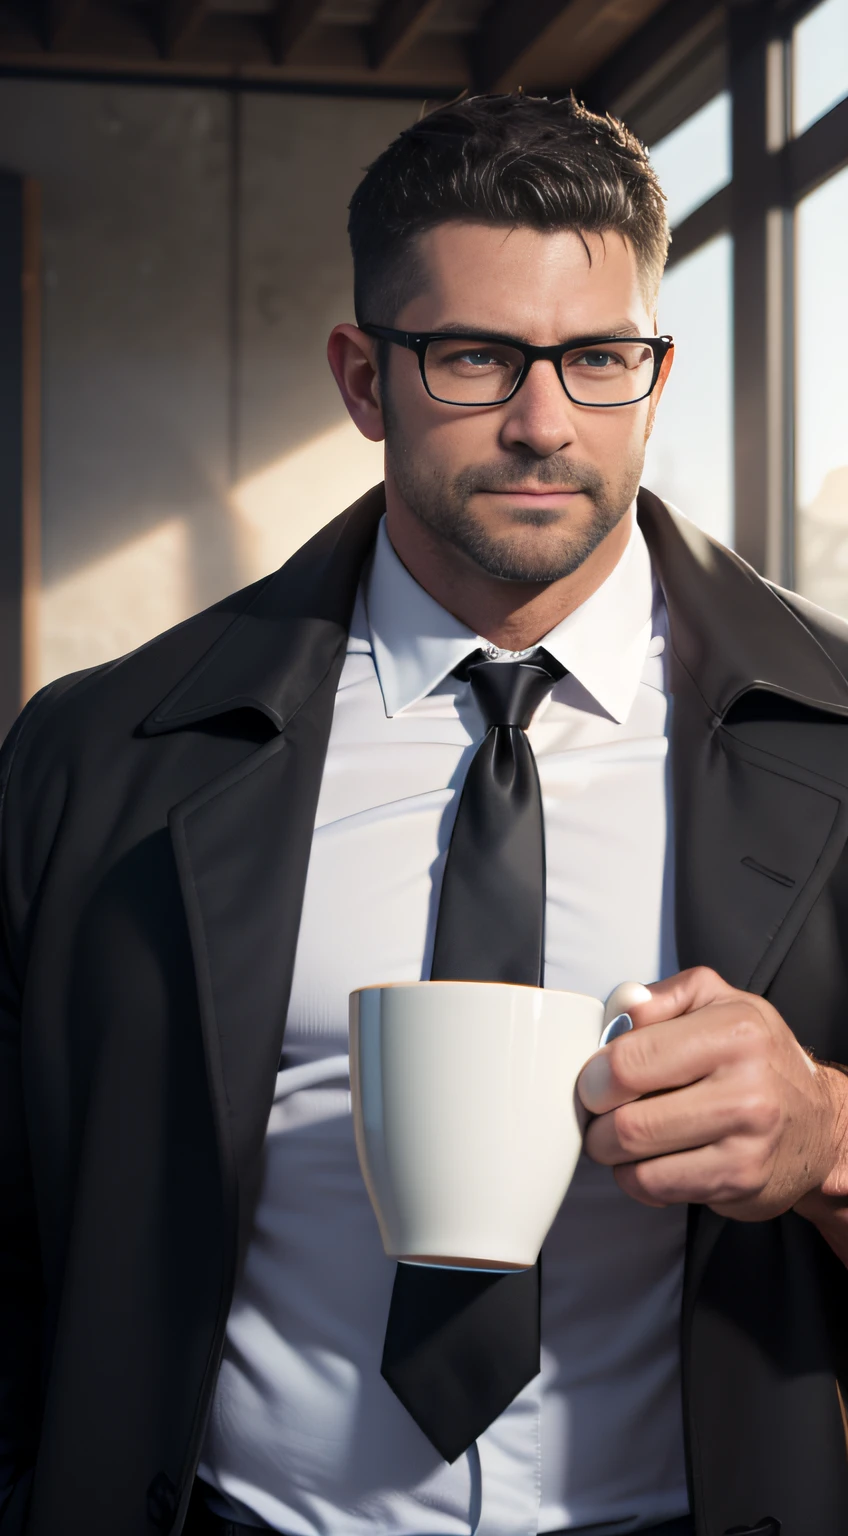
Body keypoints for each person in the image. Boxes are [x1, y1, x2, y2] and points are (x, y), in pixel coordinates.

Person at [2, 92, 848, 1536]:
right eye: (474, 357)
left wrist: (830, 1139)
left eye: (596, 360)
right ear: (362, 376)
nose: (542, 423)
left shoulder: (836, 736)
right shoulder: (95, 755)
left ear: (656, 375)